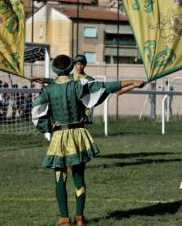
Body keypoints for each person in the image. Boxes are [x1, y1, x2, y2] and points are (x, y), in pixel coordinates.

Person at [32, 54, 145, 226]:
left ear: (55, 69)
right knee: (79, 176)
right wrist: (132, 81)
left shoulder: (48, 90)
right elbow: (105, 87)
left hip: (59, 137)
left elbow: (36, 113)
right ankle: (79, 218)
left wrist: (48, 126)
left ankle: (63, 219)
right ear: (71, 68)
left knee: (59, 177)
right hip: (78, 135)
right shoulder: (78, 85)